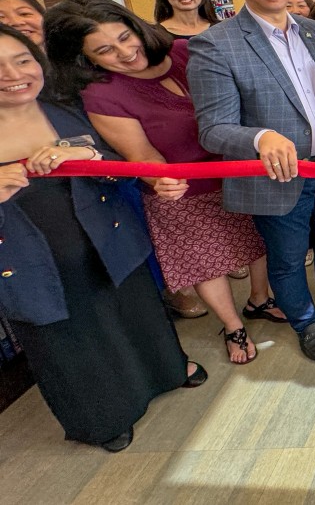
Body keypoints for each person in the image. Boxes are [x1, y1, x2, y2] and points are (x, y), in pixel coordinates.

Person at [45, 0, 283, 365]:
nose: (124, 53)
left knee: (257, 240)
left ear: (135, 25)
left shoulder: (189, 51)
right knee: (206, 261)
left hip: (238, 171)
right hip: (181, 188)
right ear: (85, 58)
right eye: (105, 50)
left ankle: (260, 298)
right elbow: (143, 155)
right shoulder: (103, 94)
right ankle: (233, 326)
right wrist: (160, 179)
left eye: (125, 37)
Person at [0, 25, 205, 453]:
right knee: (68, 338)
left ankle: (166, 373)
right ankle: (104, 418)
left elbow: (117, 158)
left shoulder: (66, 105)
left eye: (22, 60)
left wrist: (87, 155)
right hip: (28, 259)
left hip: (105, 235)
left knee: (133, 311)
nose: (13, 73)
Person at [187, 0, 315, 363]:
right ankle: (305, 320)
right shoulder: (217, 43)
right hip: (276, 176)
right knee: (286, 257)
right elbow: (212, 129)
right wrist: (258, 137)